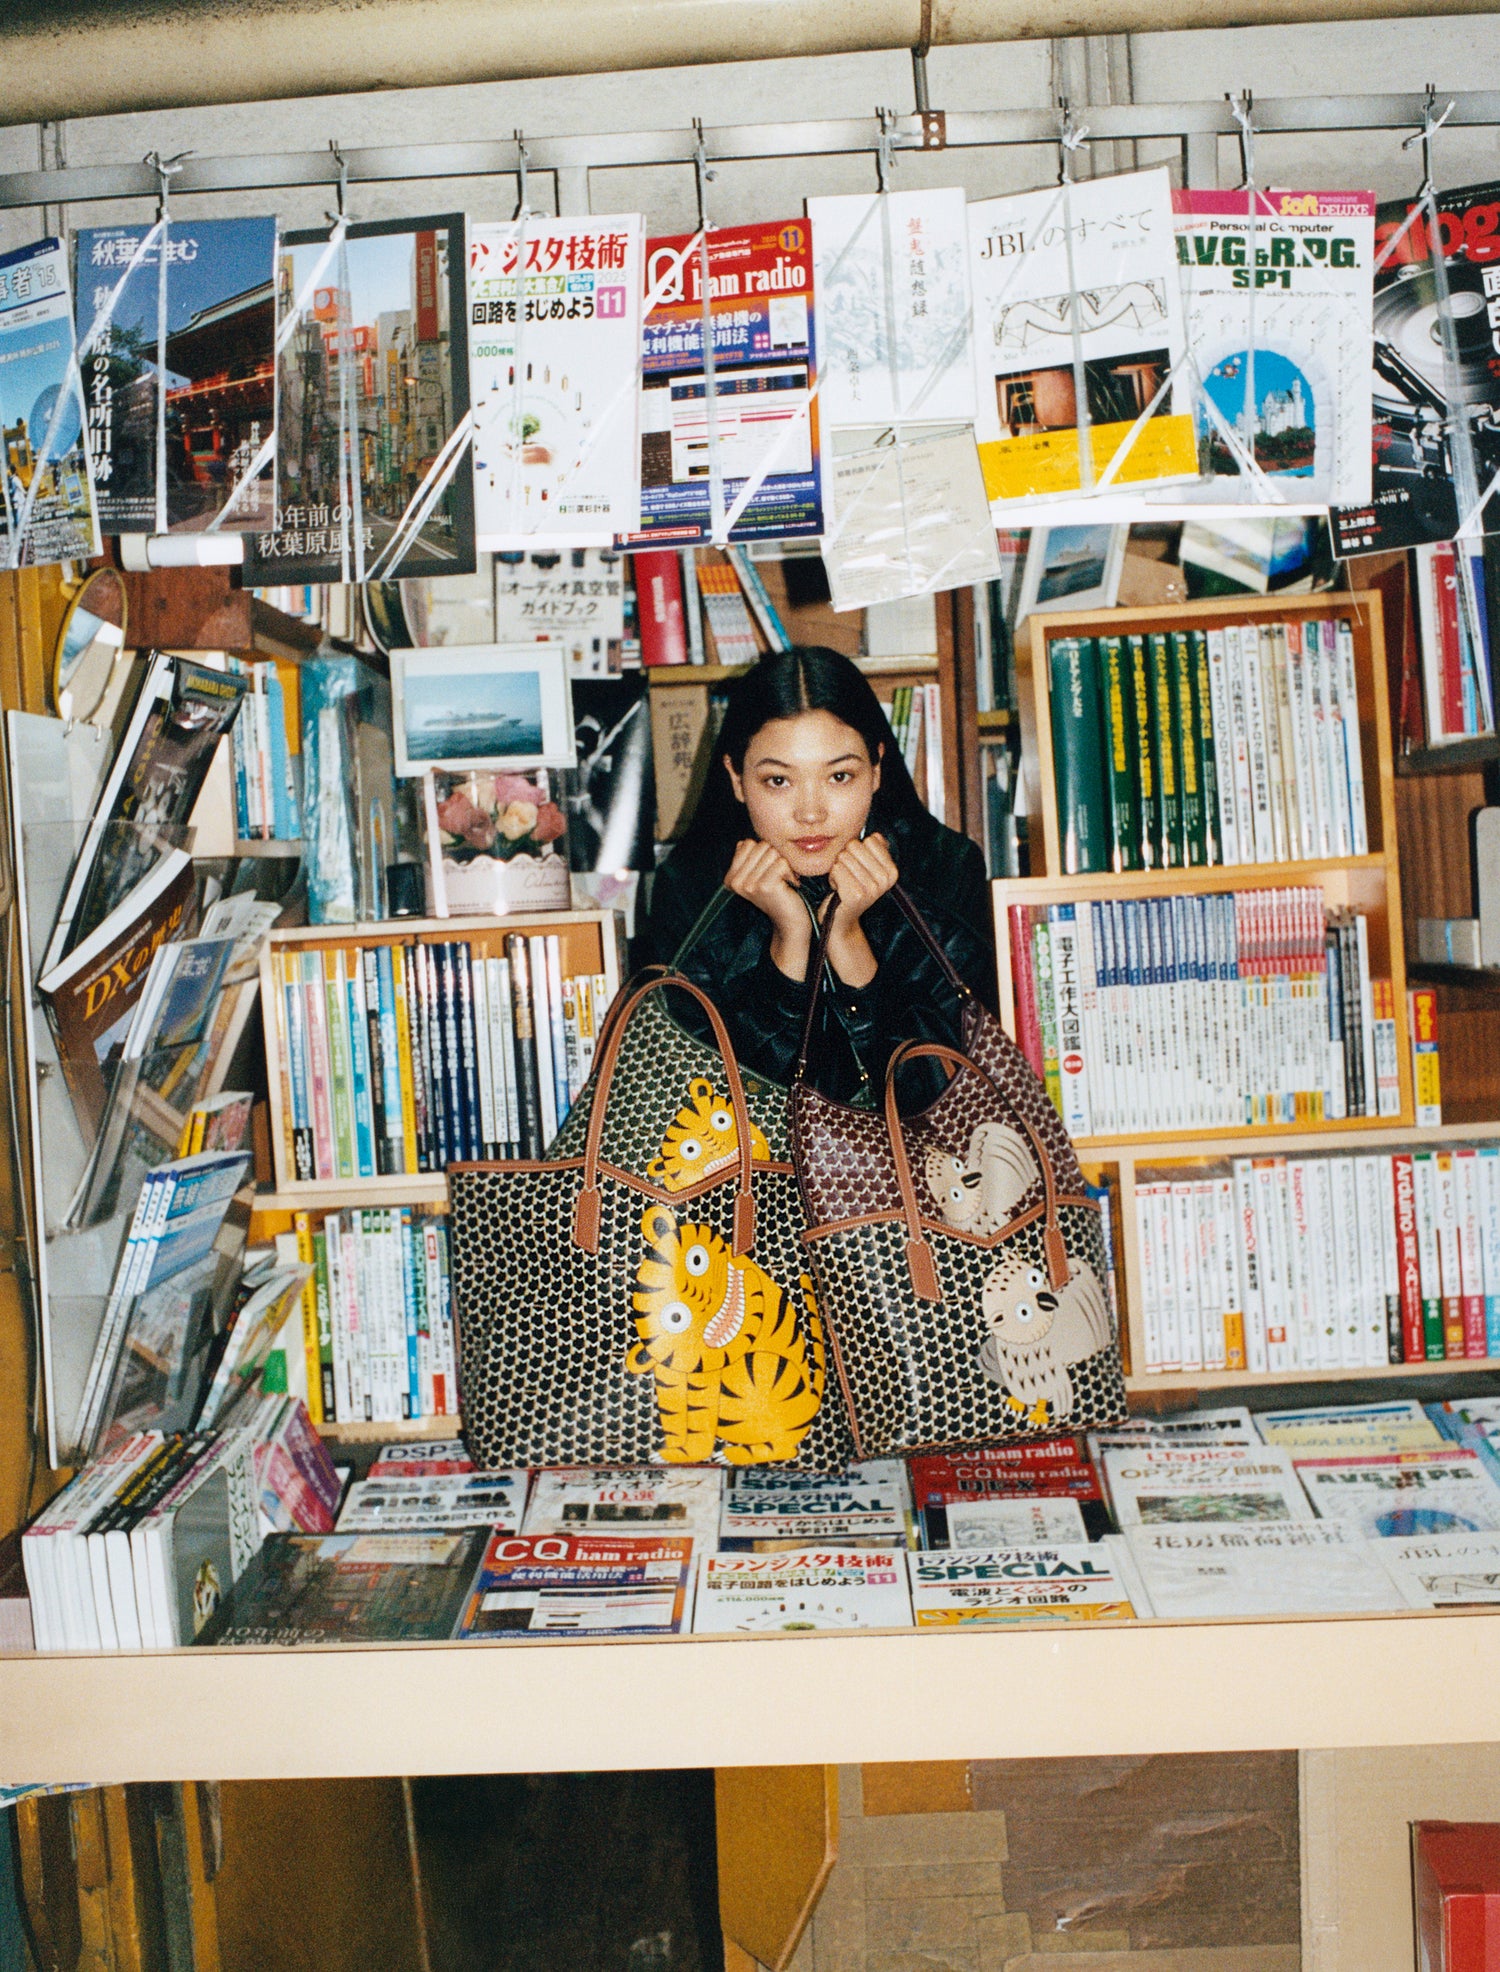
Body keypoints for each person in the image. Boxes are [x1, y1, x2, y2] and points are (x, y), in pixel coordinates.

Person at [642, 645, 996, 1104]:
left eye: (839, 777)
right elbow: (692, 1103)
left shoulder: (944, 867)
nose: (811, 813)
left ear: (876, 769)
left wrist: (845, 938)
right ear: (736, 779)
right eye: (778, 781)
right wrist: (791, 941)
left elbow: (958, 1095)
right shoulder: (691, 887)